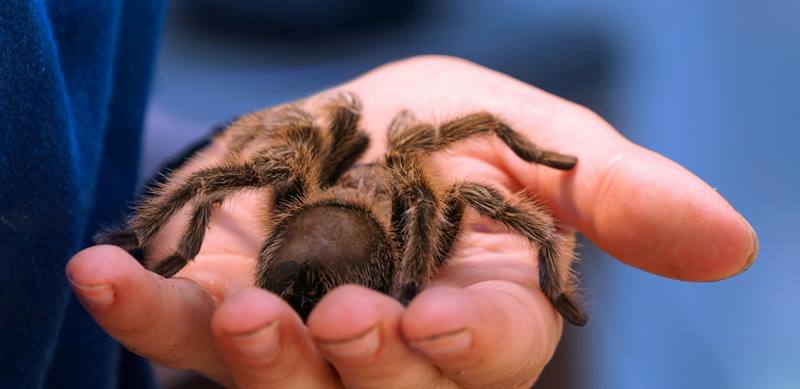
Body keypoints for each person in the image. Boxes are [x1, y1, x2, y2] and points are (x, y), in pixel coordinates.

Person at [1, 2, 756, 388]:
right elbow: (499, 209)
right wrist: (410, 277)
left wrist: (176, 168)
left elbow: (244, 155)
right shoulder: (419, 194)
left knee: (233, 177)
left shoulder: (301, 174)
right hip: (373, 263)